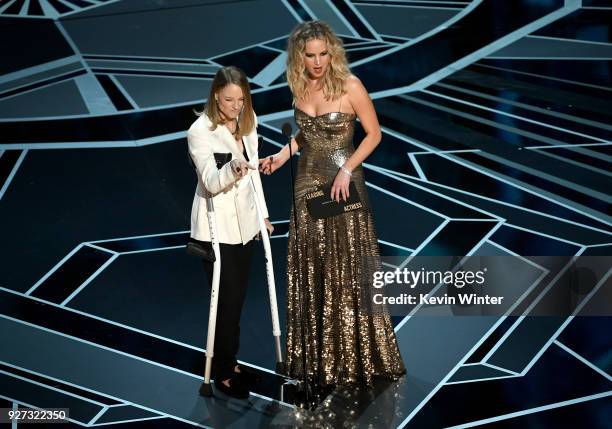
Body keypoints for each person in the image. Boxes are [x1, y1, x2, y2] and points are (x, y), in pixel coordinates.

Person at [260, 21, 405, 388]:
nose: (318, 61)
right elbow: (305, 136)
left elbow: (374, 134)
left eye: (324, 53)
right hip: (306, 181)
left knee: (347, 265)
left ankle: (355, 355)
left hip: (344, 184)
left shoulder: (350, 85)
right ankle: (322, 356)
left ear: (332, 52)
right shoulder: (298, 85)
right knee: (314, 264)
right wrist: (281, 155)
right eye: (310, 55)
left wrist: (347, 169)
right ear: (299, 57)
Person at [188, 66, 273, 399]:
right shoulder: (200, 132)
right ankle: (222, 372)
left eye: (241, 99)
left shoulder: (248, 125)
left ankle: (230, 361)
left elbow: (254, 178)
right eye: (229, 99)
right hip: (217, 229)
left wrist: (263, 217)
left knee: (236, 301)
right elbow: (210, 181)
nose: (236, 106)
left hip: (246, 226)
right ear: (215, 96)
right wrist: (232, 169)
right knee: (224, 302)